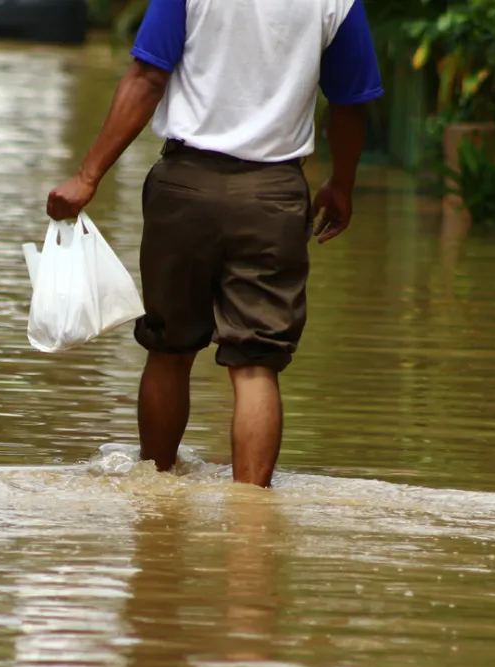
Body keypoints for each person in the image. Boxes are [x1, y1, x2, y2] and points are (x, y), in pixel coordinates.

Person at [46, 0, 383, 487]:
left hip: (185, 187)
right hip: (274, 197)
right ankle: (252, 518)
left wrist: (87, 176)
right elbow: (351, 104)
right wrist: (342, 185)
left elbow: (146, 78)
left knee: (169, 349)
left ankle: (155, 497)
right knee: (256, 364)